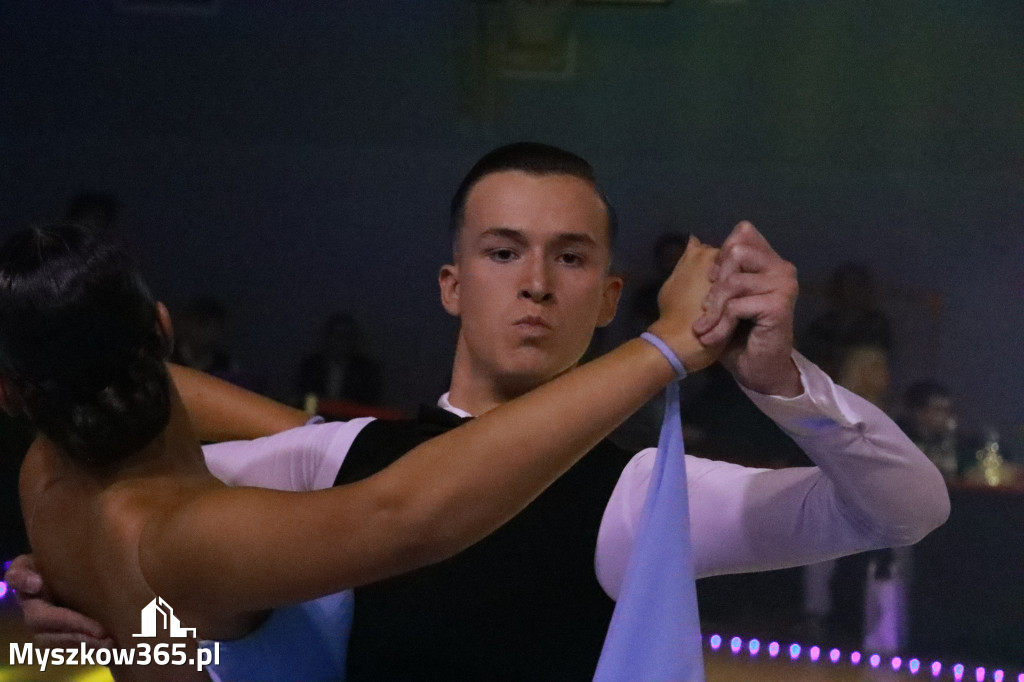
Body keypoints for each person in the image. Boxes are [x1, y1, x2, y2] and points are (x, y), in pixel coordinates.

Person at [8, 143, 950, 680]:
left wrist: (781, 378)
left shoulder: (634, 494)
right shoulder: (333, 459)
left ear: (610, 293)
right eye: (504, 253)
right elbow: (163, 637)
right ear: (452, 286)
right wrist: (38, 624)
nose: (536, 284)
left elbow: (904, 510)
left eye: (570, 258)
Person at [0, 221, 722, 681]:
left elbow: (331, 448)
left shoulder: (46, 470)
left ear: (13, 395)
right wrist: (667, 346)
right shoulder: (178, 539)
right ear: (162, 328)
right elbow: (405, 513)